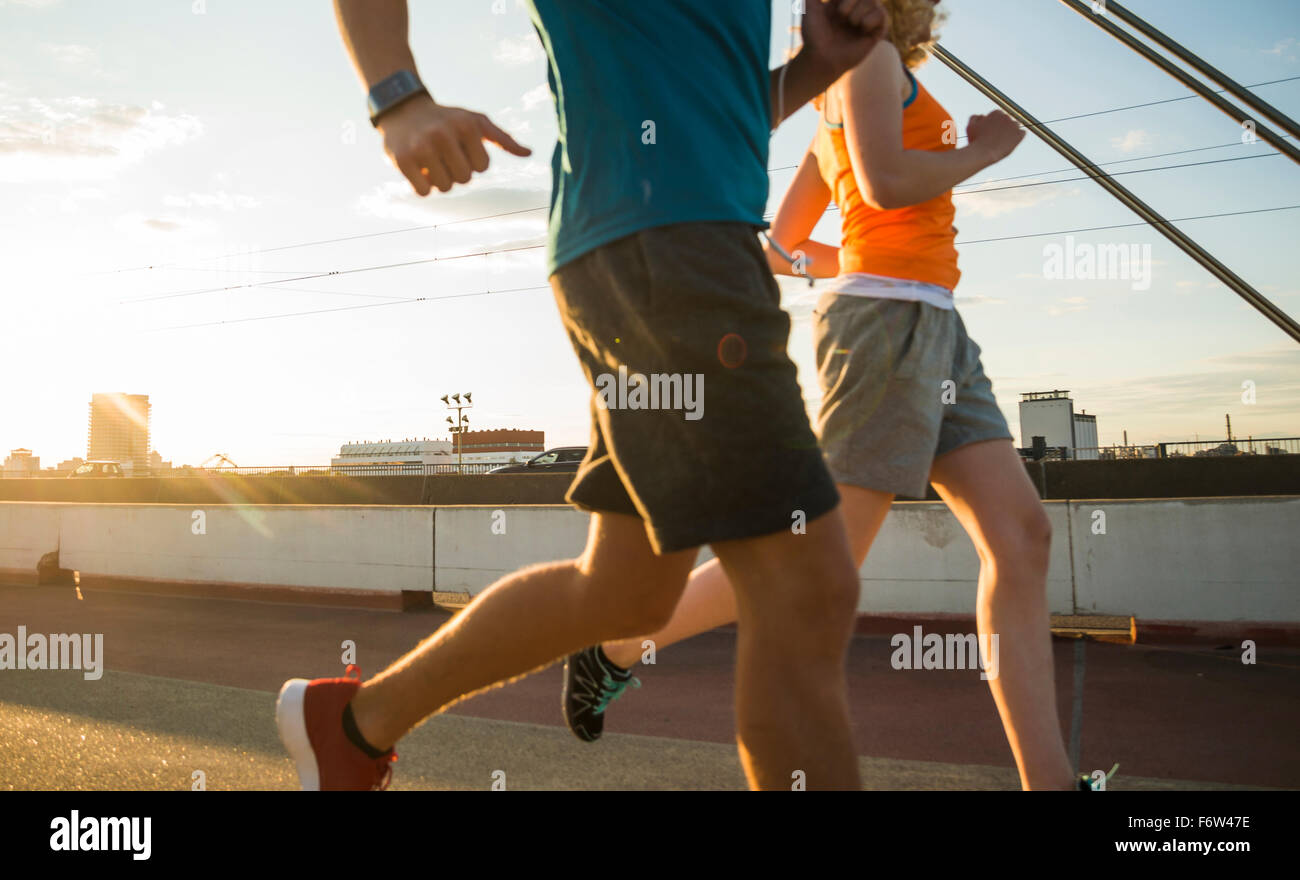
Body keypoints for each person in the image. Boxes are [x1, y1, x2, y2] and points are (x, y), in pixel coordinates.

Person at [274, 0, 889, 791]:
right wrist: (398, 97)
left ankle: (352, 726)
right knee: (807, 586)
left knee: (627, 590)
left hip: (671, 243)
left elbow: (702, 108)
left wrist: (814, 69)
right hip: (668, 247)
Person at [565, 0, 1080, 791]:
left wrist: (853, 271)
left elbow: (782, 246)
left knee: (1022, 537)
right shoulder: (870, 65)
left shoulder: (856, 81)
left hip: (931, 320)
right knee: (820, 564)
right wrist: (981, 153)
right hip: (888, 330)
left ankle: (1050, 784)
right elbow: (884, 186)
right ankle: (620, 643)